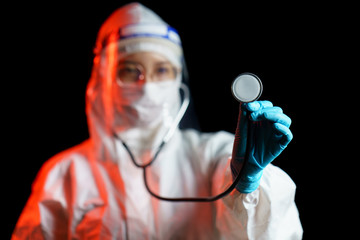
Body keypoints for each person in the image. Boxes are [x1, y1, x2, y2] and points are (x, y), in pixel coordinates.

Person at [12, 2, 303, 239]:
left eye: (162, 70)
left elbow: (275, 232)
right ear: (102, 80)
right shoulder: (63, 174)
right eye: (130, 71)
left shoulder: (213, 155)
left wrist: (246, 184)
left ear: (178, 78)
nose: (147, 85)